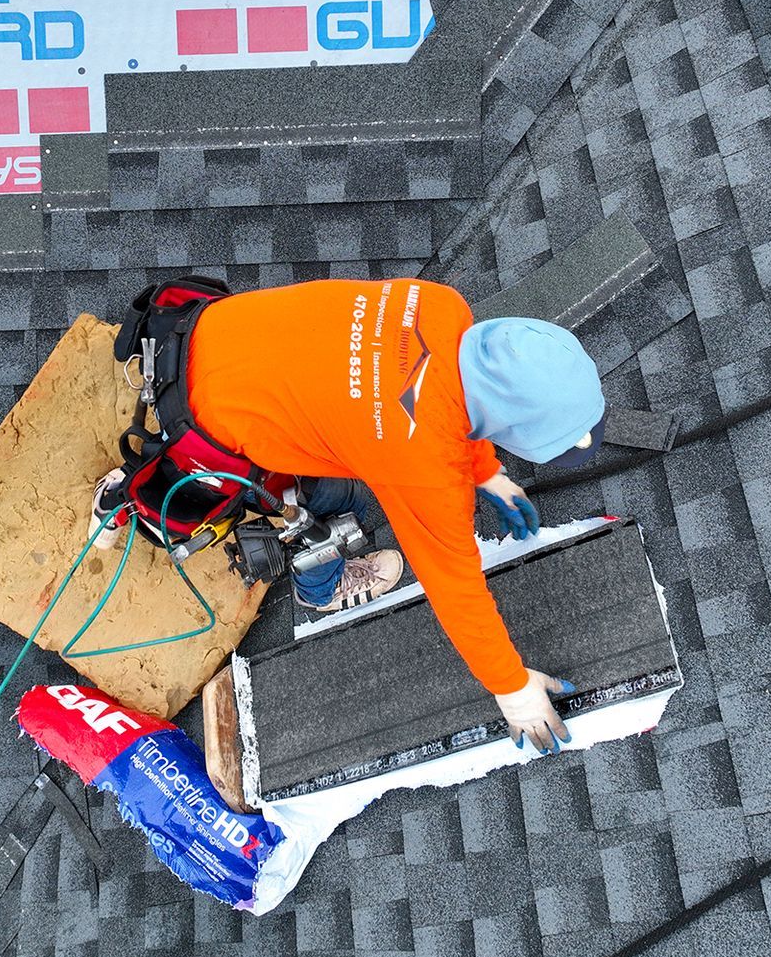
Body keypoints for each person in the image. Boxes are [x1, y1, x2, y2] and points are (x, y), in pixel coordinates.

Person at [180, 277, 605, 754]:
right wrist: (512, 689)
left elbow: (449, 390)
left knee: (352, 433)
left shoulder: (444, 307)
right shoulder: (423, 465)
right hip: (202, 423)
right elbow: (454, 585)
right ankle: (320, 589)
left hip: (203, 330)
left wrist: (487, 473)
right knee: (346, 503)